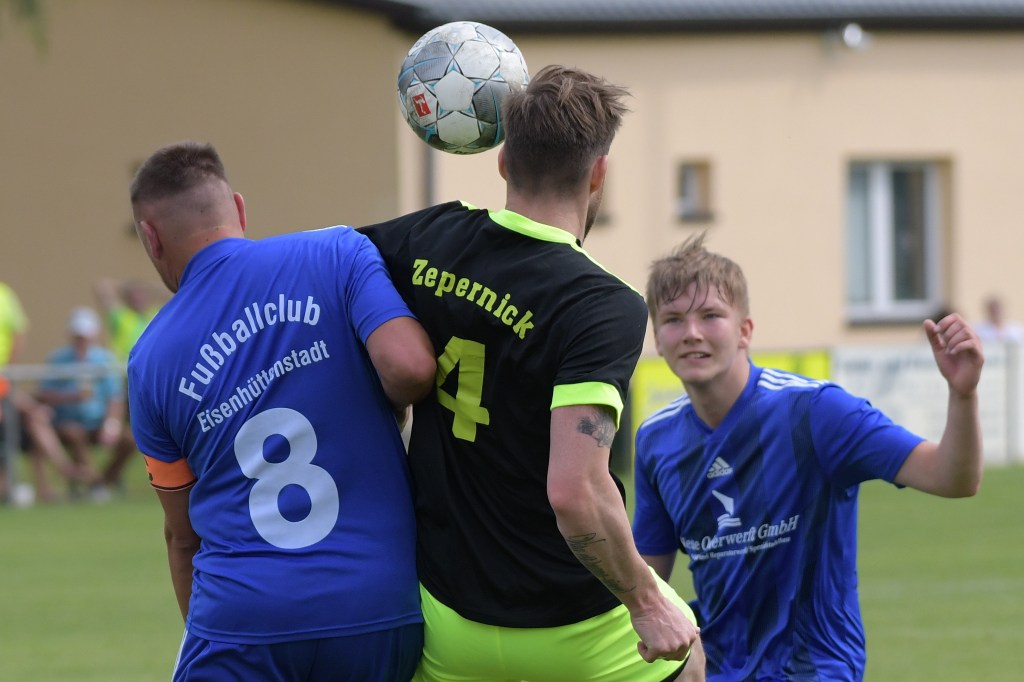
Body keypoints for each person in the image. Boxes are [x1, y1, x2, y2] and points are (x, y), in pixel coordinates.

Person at [361, 64, 704, 682]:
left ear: (502, 162)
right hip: (575, 625)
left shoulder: (428, 239)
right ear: (598, 173)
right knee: (688, 655)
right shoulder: (602, 304)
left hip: (447, 620)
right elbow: (575, 492)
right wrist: (646, 602)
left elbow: (331, 258)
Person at [127, 141, 436, 681]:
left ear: (150, 238)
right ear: (238, 209)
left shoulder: (148, 359)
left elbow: (183, 535)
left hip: (244, 621)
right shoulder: (338, 253)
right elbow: (411, 369)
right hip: (377, 609)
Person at [631, 232, 984, 681]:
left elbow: (952, 478)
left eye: (711, 316)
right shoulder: (656, 440)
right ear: (658, 339)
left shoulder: (816, 412)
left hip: (815, 669)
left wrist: (963, 395)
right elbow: (646, 583)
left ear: (745, 331)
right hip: (717, 670)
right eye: (674, 320)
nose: (692, 333)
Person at [0, 281, 90, 503]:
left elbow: (18, 333)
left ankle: (59, 474)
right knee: (34, 414)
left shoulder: (5, 294)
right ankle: (64, 469)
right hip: (5, 384)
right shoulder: (59, 358)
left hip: (4, 379)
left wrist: (9, 370)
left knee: (36, 418)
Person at [35, 306, 126, 502]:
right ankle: (93, 482)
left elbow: (115, 397)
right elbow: (44, 393)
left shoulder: (104, 359)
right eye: (78, 336)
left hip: (97, 421)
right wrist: (70, 397)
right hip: (67, 422)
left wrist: (111, 424)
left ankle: (102, 481)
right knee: (74, 432)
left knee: (129, 440)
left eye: (85, 336)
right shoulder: (58, 359)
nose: (81, 340)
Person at [93, 277, 166, 491]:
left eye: (141, 295)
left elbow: (178, 294)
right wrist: (126, 287)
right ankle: (106, 479)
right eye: (134, 296)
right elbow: (102, 287)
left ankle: (111, 479)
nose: (138, 299)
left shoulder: (155, 316)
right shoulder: (122, 317)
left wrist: (151, 290)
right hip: (123, 384)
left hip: (151, 383)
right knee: (126, 435)